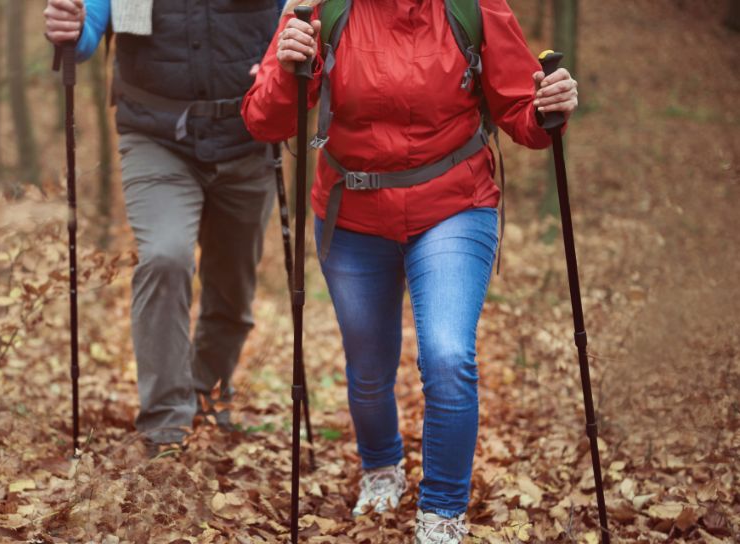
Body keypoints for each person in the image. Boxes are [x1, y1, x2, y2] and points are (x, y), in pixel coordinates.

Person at [242, 0, 578, 541]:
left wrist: (546, 108)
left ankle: (442, 511)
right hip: (352, 214)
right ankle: (381, 468)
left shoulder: (473, 7)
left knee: (447, 354)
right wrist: (287, 68)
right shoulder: (318, 8)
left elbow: (521, 111)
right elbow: (265, 121)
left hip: (454, 203)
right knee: (368, 363)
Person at [44, 0, 284, 454]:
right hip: (156, 138)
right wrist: (72, 30)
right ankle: (166, 424)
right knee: (165, 256)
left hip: (248, 139)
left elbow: (298, 15)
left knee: (232, 292)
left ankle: (205, 390)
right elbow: (88, 28)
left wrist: (287, 60)